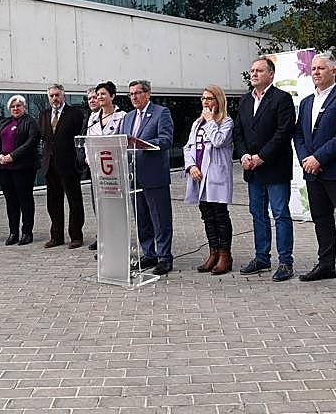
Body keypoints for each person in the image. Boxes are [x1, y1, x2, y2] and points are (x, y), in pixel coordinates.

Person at [293, 52, 336, 288]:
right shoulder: (306, 102)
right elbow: (299, 134)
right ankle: (326, 265)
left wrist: (318, 158)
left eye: (321, 68)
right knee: (321, 220)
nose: (315, 72)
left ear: (333, 71)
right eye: (313, 68)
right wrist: (306, 158)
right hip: (313, 173)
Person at [233, 56, 297, 281]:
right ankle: (262, 258)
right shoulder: (244, 100)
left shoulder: (282, 98)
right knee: (257, 214)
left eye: (259, 70)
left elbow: (283, 132)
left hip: (275, 167)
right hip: (252, 168)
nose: (254, 74)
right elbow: (238, 132)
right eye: (252, 70)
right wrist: (243, 154)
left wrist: (261, 157)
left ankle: (285, 262)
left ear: (271, 74)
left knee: (280, 214)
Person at [121, 80, 175, 274]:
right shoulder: (127, 117)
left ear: (148, 93)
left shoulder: (161, 113)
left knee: (160, 218)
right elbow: (122, 141)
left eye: (137, 93)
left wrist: (142, 143)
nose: (134, 97)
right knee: (141, 218)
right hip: (133, 175)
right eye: (131, 94)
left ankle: (164, 257)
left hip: (154, 175)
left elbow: (166, 139)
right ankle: (149, 254)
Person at [184, 85, 235, 275]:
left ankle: (225, 255)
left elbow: (218, 141)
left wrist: (211, 121)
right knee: (207, 215)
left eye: (209, 98)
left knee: (220, 215)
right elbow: (188, 147)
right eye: (203, 98)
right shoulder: (197, 123)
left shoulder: (226, 121)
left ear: (218, 101)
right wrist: (191, 166)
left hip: (216, 175)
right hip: (199, 175)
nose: (205, 102)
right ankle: (213, 253)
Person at [38, 84, 87, 248]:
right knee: (53, 203)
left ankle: (76, 236)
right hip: (50, 166)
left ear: (63, 95)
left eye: (57, 95)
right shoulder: (44, 114)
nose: (55, 98)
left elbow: (79, 138)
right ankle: (56, 236)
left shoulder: (75, 114)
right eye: (51, 96)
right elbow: (44, 138)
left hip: (69, 165)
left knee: (74, 202)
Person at [0, 95, 40, 245]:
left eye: (18, 106)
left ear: (24, 107)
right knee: (10, 201)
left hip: (23, 168)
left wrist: (12, 156)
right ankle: (13, 232)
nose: (15, 108)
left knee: (25, 200)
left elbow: (31, 142)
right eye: (12, 106)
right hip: (5, 168)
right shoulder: (3, 123)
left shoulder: (30, 122)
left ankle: (27, 232)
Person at [85, 81, 126, 251]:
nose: (99, 97)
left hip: (115, 170)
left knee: (114, 206)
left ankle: (117, 239)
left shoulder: (122, 116)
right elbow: (87, 142)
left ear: (112, 96)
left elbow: (124, 142)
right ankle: (103, 236)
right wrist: (90, 161)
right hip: (97, 169)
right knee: (99, 205)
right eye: (98, 94)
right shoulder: (93, 118)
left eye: (103, 94)